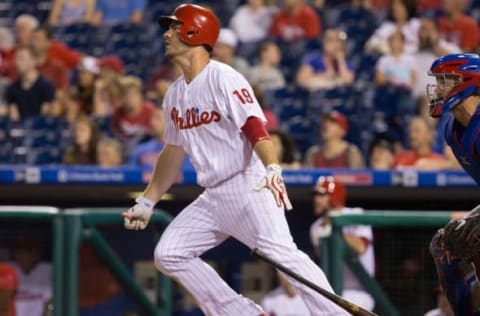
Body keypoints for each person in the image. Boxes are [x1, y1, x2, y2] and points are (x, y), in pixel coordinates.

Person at [122, 4, 347, 315]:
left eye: (174, 27)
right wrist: (147, 202)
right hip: (213, 196)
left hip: (247, 183)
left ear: (194, 31)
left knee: (282, 255)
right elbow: (172, 151)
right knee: (169, 253)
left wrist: (271, 167)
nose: (167, 34)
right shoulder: (173, 94)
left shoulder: (223, 77)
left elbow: (255, 126)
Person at [427, 53, 480, 315]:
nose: (437, 89)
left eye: (444, 81)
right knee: (444, 245)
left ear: (467, 82)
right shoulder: (452, 129)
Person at [310, 176, 375, 311]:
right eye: (315, 195)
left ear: (334, 197)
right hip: (332, 290)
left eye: (321, 195)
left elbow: (360, 247)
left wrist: (334, 227)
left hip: (360, 291)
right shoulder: (316, 227)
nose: (316, 199)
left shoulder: (356, 215)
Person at [5, 47, 55, 121]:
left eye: (21, 59)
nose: (17, 62)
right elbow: (14, 118)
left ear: (33, 61)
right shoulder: (12, 89)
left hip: (40, 128)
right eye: (16, 58)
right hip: (21, 129)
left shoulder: (46, 86)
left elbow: (45, 116)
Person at [10, 237, 52, 316]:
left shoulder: (47, 270)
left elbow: (50, 303)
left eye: (27, 252)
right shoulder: (9, 269)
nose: (21, 255)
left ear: (36, 254)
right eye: (19, 252)